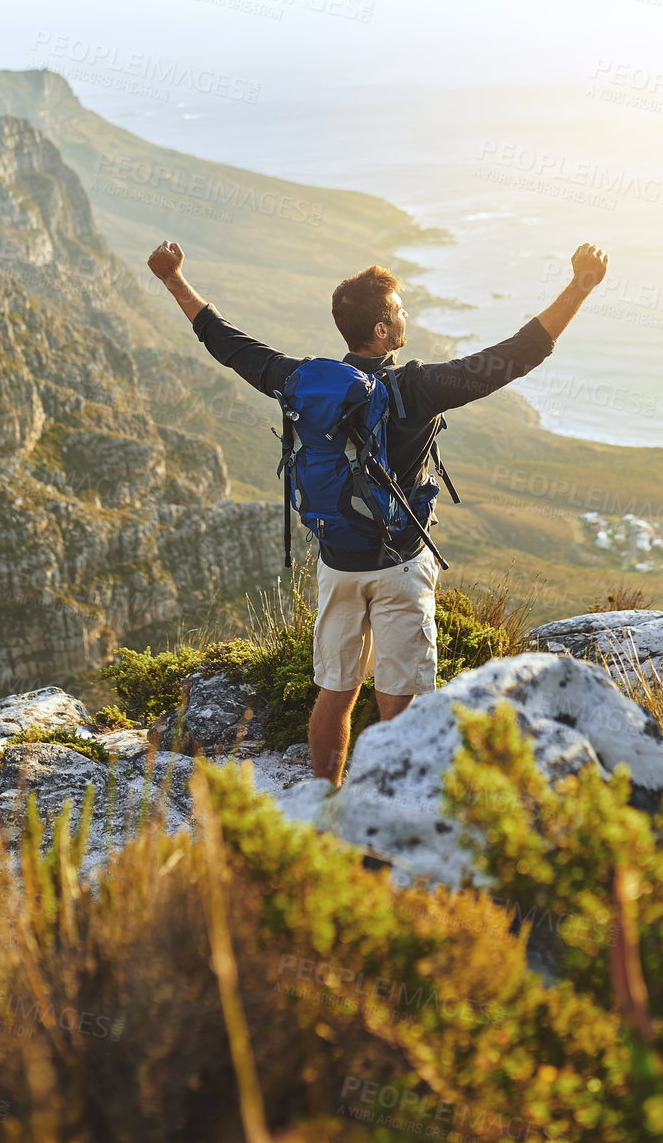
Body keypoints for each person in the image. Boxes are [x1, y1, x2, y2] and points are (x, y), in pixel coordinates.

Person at [147, 238, 608, 783]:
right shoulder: (416, 388)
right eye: (399, 310)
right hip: (398, 568)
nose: (406, 315)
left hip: (337, 563)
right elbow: (515, 356)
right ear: (383, 332)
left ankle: (324, 799)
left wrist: (173, 278)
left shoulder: (302, 382)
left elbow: (228, 344)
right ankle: (388, 807)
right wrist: (580, 287)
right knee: (399, 701)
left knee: (335, 693)